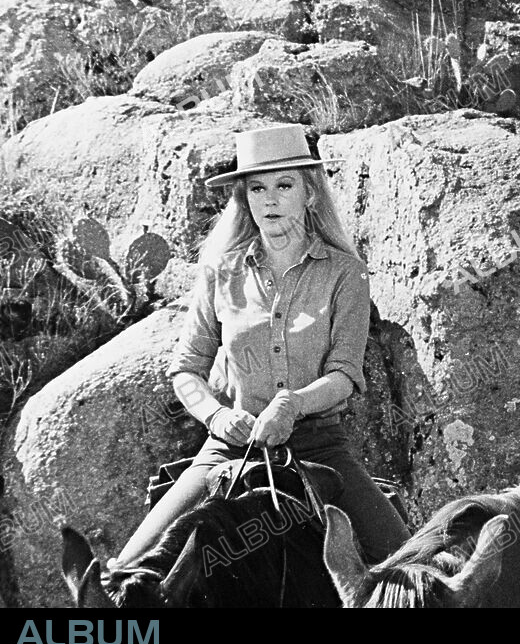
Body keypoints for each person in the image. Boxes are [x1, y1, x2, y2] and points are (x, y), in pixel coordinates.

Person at [113, 124, 409, 568]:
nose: (269, 199)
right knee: (127, 570)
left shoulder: (346, 273)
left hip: (318, 444)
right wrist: (216, 415)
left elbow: (346, 374)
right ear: (245, 199)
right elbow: (185, 370)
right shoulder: (220, 271)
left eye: (284, 185)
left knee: (406, 566)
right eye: (257, 188)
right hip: (228, 447)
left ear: (309, 194)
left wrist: (289, 405)